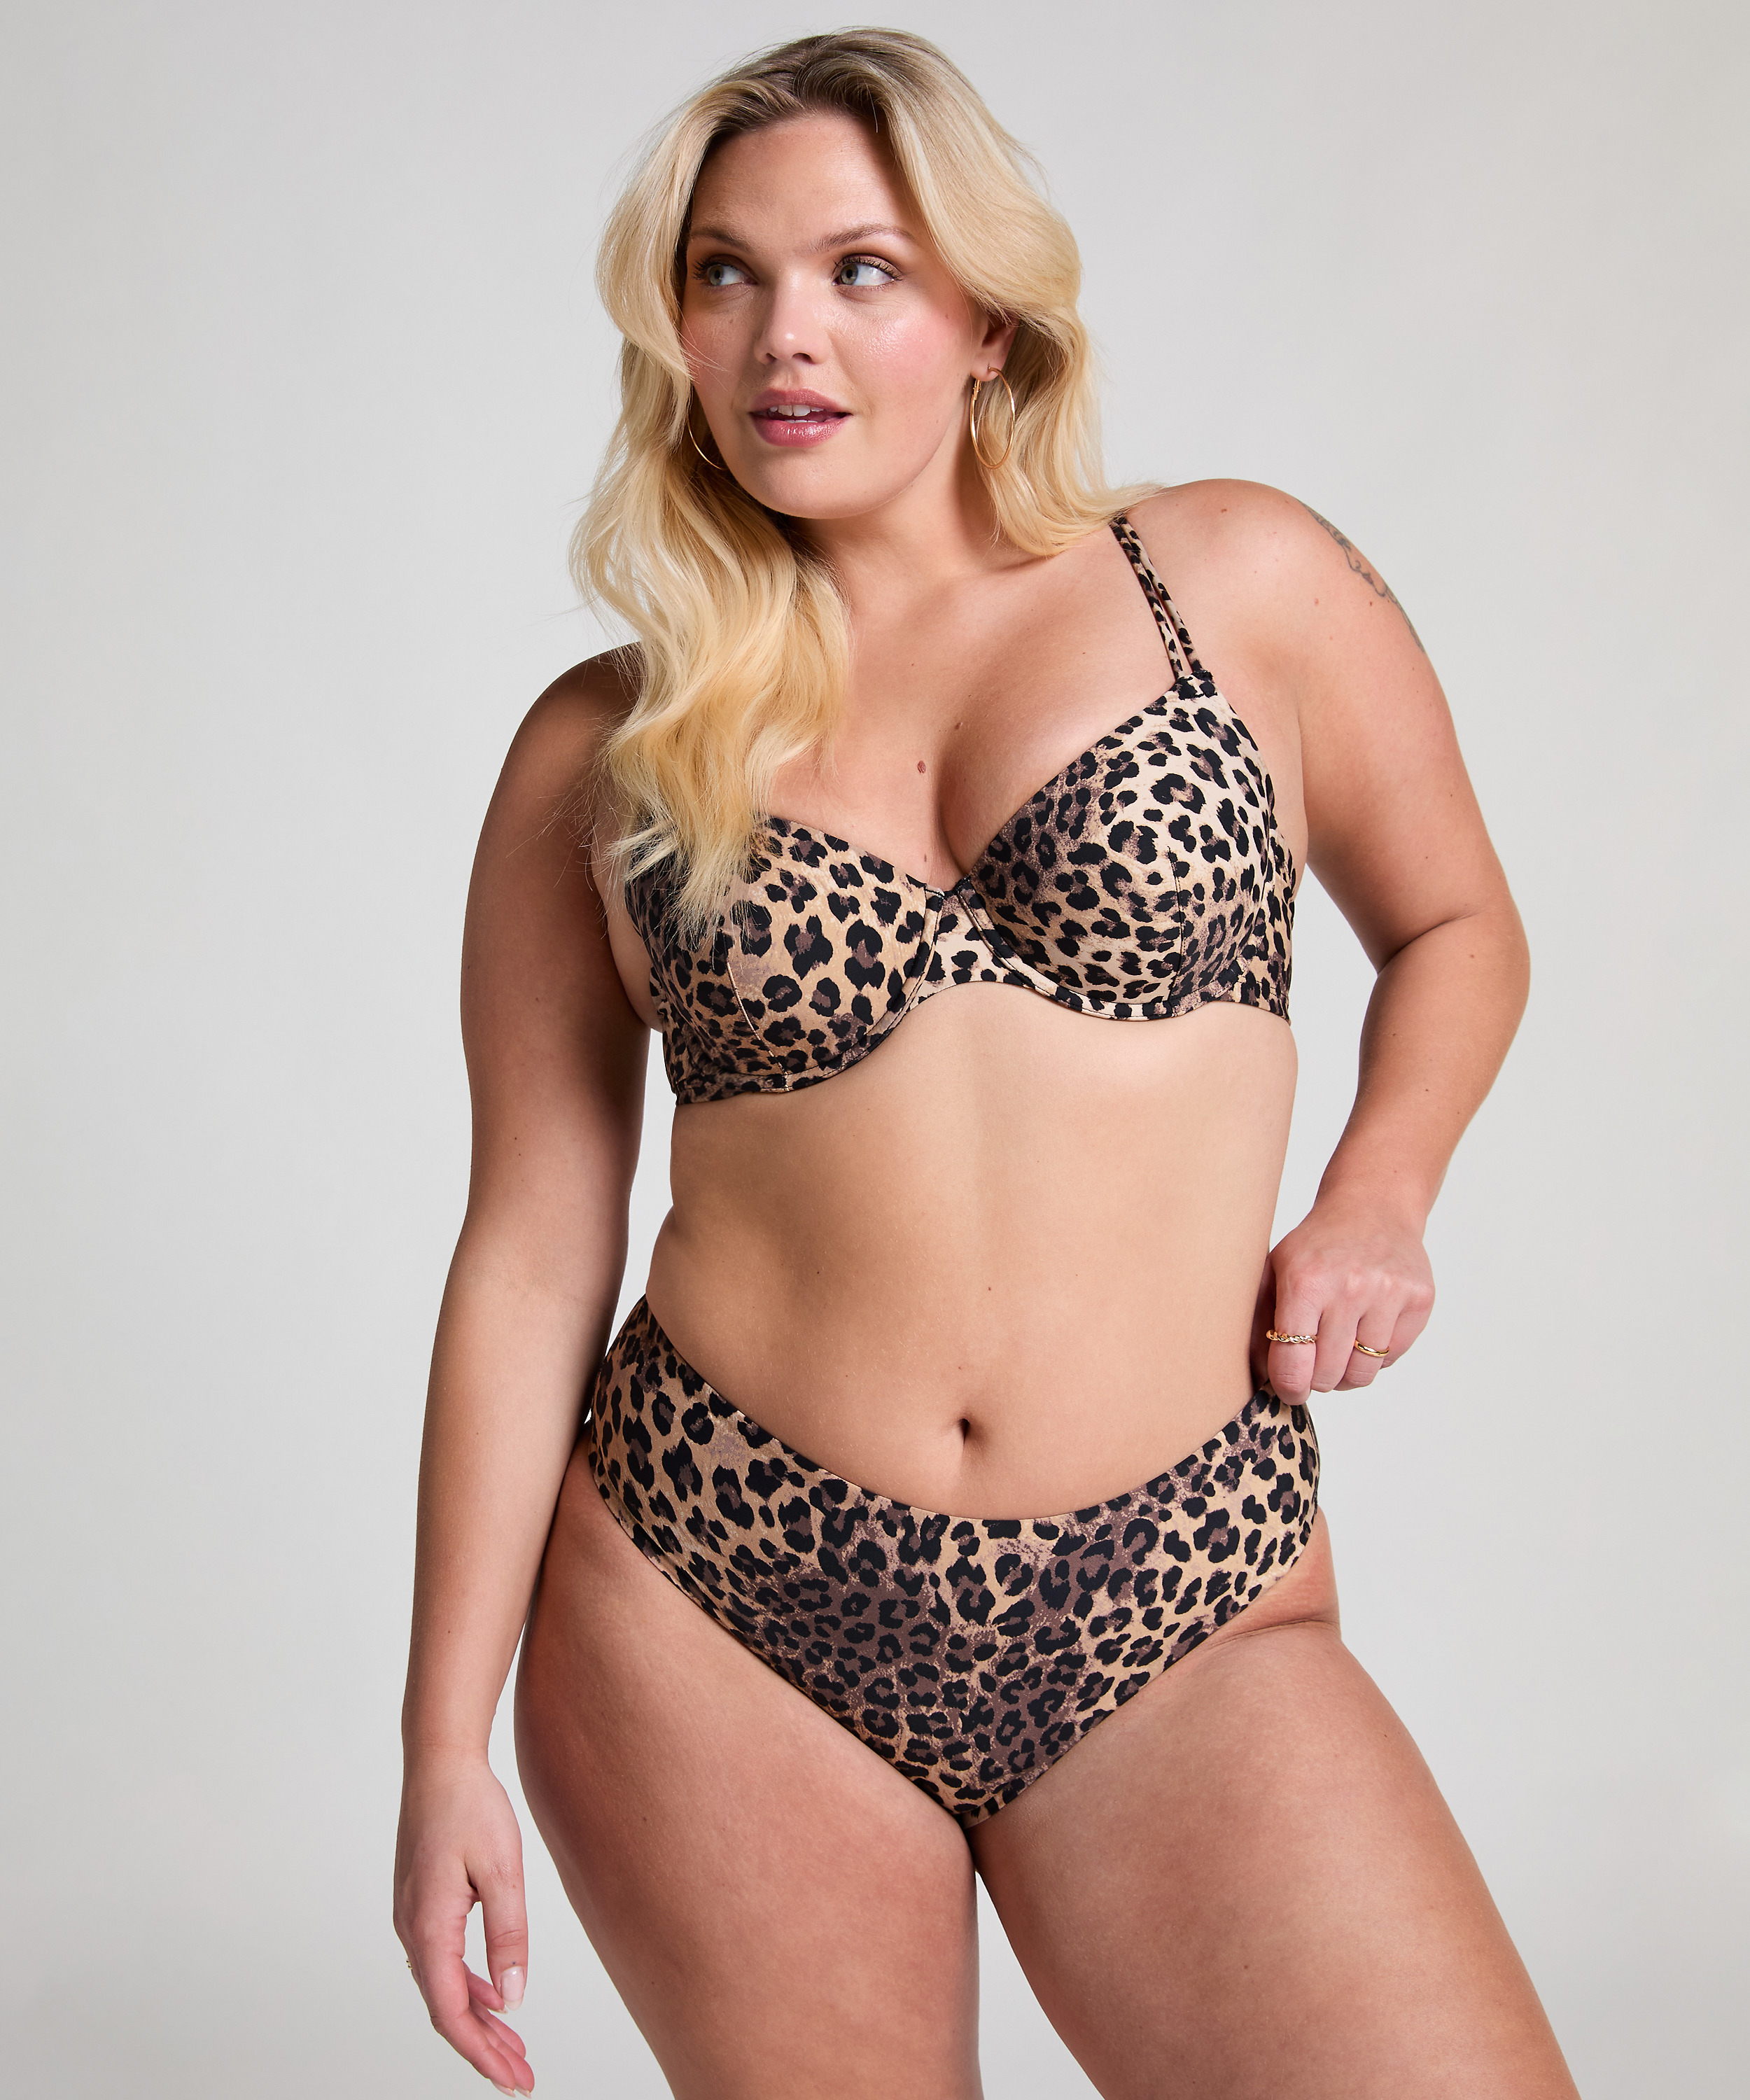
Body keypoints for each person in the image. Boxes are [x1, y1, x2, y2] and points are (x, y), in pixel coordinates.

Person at [393, 29, 1576, 2099]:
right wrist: (439, 1747)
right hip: (714, 1597)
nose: (785, 332)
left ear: (988, 317)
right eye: (726, 273)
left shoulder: (1237, 582)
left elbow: (1460, 926)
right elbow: (528, 1253)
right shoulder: (606, 747)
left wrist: (1382, 1195)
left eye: (861, 269)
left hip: (1183, 1591)